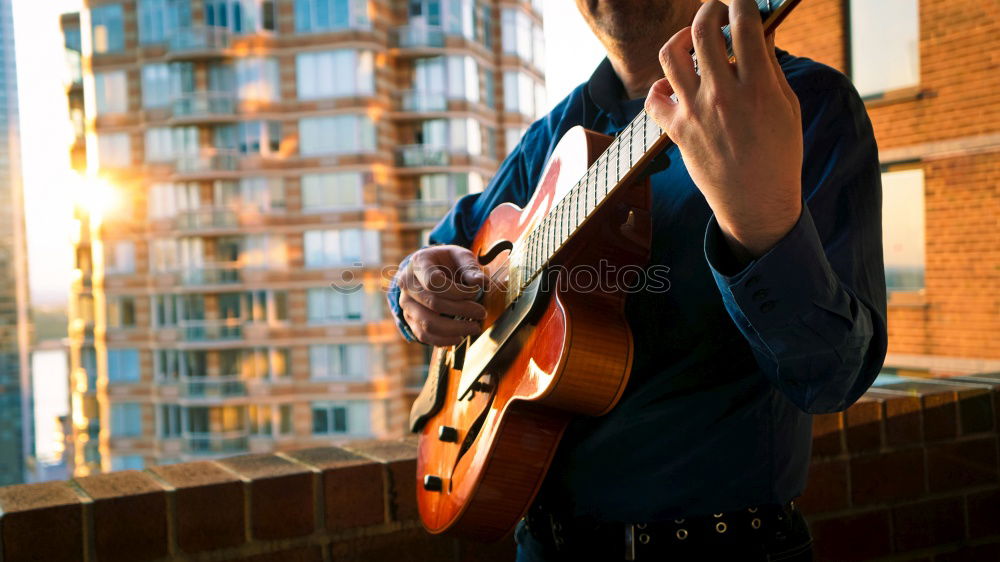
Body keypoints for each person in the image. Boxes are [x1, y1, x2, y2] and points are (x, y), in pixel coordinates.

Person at [387, 0, 887, 559]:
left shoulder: (801, 103)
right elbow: (445, 248)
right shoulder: (552, 132)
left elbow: (833, 377)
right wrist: (414, 285)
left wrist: (761, 225)